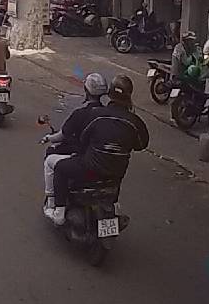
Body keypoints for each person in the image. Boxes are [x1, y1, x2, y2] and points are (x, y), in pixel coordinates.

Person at [48, 75, 150, 225]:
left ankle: (59, 212)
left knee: (60, 168)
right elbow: (141, 145)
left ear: (110, 93)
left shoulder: (96, 115)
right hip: (116, 173)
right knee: (116, 167)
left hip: (90, 170)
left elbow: (83, 139)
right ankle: (114, 205)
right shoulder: (135, 122)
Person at [41, 73, 108, 215]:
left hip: (83, 158)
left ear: (86, 90)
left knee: (51, 161)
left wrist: (48, 138)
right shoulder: (107, 114)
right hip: (102, 160)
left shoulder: (80, 114)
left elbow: (62, 135)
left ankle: (53, 204)